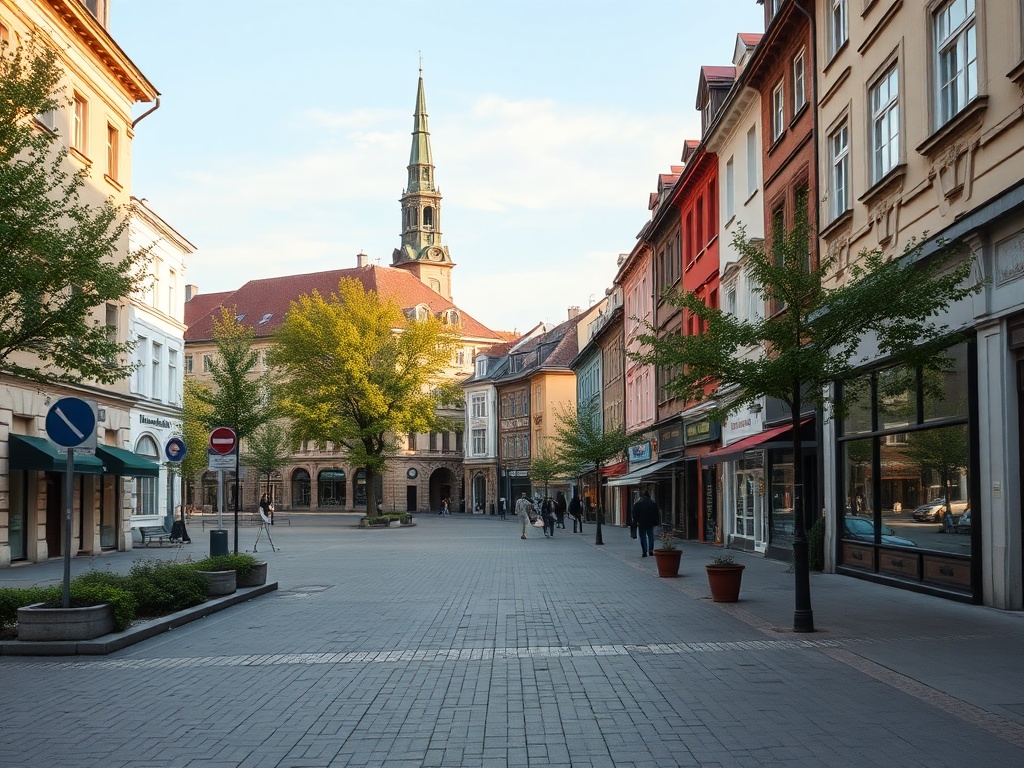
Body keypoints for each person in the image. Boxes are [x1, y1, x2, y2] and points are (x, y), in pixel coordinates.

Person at [632, 490, 661, 557]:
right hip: (650, 523)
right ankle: (651, 551)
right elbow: (656, 514)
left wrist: (636, 521)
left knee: (643, 537)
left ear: (642, 496)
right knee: (651, 536)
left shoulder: (638, 504)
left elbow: (634, 514)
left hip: (641, 523)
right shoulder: (653, 504)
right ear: (649, 496)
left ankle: (644, 551)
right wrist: (656, 522)